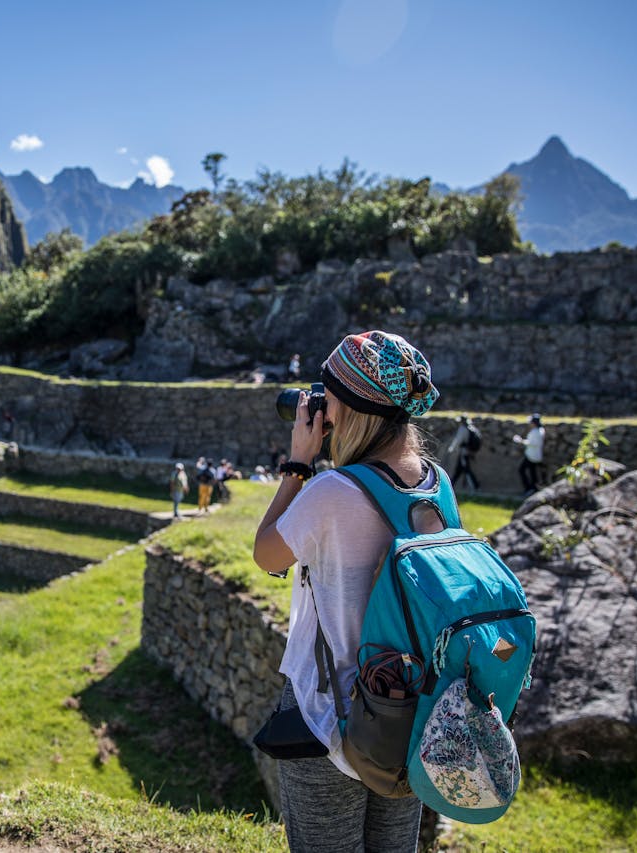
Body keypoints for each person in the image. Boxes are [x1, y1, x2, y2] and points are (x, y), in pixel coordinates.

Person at [252, 329, 440, 852]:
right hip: (407, 704)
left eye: (327, 394)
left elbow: (267, 554)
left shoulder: (333, 490)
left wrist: (297, 465)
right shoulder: (437, 485)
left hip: (330, 713)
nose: (318, 405)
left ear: (353, 410)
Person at [512, 413, 545, 496]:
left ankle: (529, 488)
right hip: (536, 455)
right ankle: (534, 488)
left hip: (531, 456)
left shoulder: (536, 432)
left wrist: (520, 440)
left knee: (522, 470)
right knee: (533, 472)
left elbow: (532, 443)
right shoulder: (540, 431)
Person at [446, 415, 480, 492]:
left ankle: (475, 486)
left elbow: (458, 440)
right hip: (469, 451)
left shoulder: (463, 429)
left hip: (464, 452)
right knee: (459, 469)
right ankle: (451, 485)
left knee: (466, 469)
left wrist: (451, 449)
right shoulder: (472, 428)